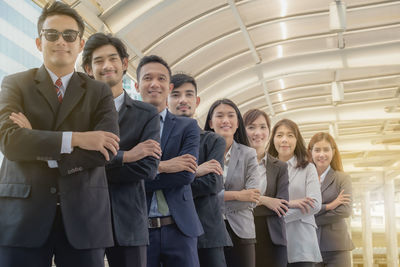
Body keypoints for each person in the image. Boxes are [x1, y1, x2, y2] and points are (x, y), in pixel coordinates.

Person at [0, 2, 120, 267]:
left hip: (84, 218)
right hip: (22, 218)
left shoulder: (99, 91)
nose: (60, 42)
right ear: (38, 41)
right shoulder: (14, 83)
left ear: (80, 43)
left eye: (69, 35)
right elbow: (10, 141)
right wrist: (76, 138)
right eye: (51, 34)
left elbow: (106, 149)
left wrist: (36, 142)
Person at [82, 33, 161, 267]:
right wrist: (127, 156)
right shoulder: (77, 114)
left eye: (113, 59)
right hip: (84, 220)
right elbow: (71, 161)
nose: (107, 66)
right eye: (98, 61)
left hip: (129, 221)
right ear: (88, 68)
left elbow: (148, 168)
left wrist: (93, 166)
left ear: (125, 63)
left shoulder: (146, 114)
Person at [135, 55, 203, 267]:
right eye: (148, 78)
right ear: (137, 85)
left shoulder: (187, 126)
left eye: (161, 78)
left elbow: (186, 174)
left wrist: (139, 174)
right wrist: (164, 166)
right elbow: (120, 175)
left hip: (180, 229)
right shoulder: (125, 124)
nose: (154, 84)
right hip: (139, 231)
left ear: (169, 86)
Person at [168, 73, 232, 267]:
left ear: (196, 101)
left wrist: (172, 176)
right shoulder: (159, 140)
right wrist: (196, 171)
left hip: (208, 233)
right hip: (170, 232)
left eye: (188, 94)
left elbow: (213, 183)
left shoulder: (213, 140)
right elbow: (152, 179)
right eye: (176, 94)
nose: (183, 100)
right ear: (167, 99)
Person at [204, 99, 261, 267]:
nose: (225, 120)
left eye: (231, 116)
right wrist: (238, 195)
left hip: (241, 229)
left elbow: (253, 196)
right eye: (219, 116)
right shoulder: (201, 151)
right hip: (209, 228)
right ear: (210, 123)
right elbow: (197, 193)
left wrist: (215, 197)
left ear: (237, 124)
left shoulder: (249, 154)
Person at [268, 119, 322, 267]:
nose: (284, 140)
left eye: (290, 135)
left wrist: (276, 219)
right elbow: (260, 202)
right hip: (271, 242)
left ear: (297, 140)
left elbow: (314, 204)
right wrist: (291, 205)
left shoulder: (308, 168)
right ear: (273, 139)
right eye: (279, 135)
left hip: (301, 242)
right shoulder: (264, 168)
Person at [243, 109, 289, 267]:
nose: (258, 132)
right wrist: (266, 200)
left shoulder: (280, 167)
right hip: (242, 236)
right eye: (251, 127)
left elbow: (282, 205)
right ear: (242, 131)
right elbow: (232, 202)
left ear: (269, 131)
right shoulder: (234, 163)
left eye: (263, 127)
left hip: (273, 239)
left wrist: (249, 200)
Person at [308, 132, 354, 267]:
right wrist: (330, 205)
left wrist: (310, 219)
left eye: (326, 149)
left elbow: (344, 211)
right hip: (310, 246)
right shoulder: (304, 179)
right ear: (310, 152)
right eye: (317, 150)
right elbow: (301, 209)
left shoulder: (342, 178)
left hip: (337, 248)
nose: (322, 154)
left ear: (333, 152)